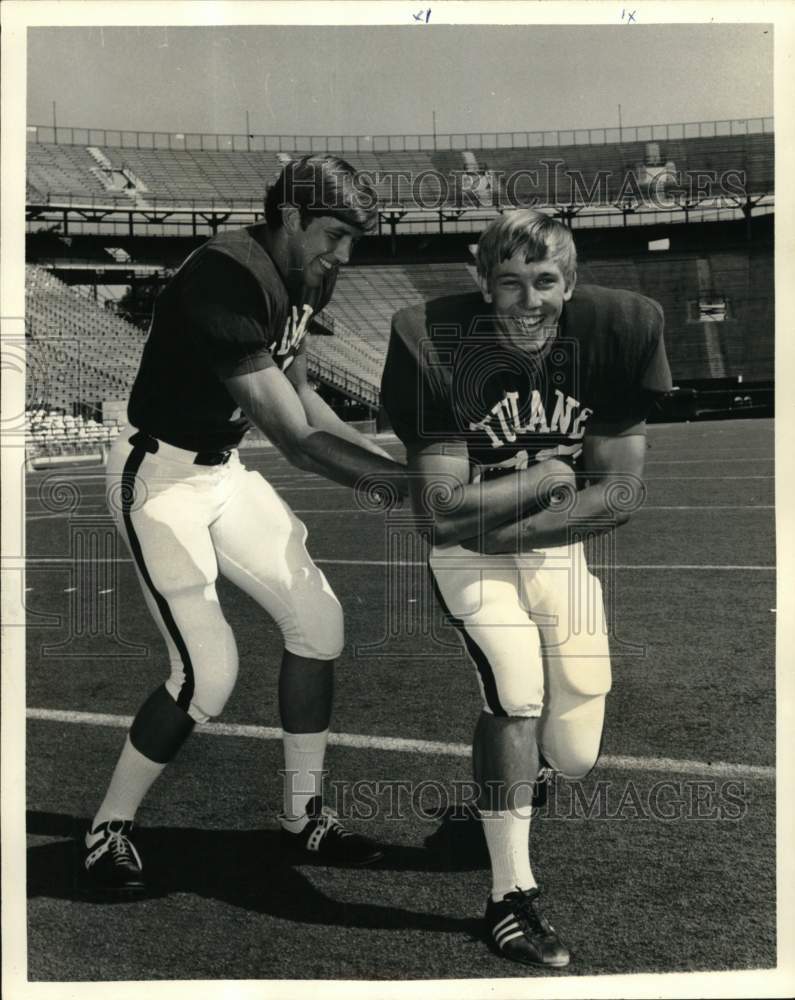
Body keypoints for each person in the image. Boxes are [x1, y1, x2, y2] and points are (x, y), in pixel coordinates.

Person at [82, 155, 407, 896]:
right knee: (206, 674)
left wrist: (396, 473)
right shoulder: (224, 274)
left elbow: (304, 401)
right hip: (159, 476)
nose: (343, 256)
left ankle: (302, 818)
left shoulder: (307, 271)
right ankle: (108, 829)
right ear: (289, 216)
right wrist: (411, 487)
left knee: (319, 623)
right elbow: (293, 440)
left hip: (221, 472)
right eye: (333, 234)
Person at [381, 209, 671, 968]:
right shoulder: (434, 339)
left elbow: (617, 495)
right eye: (508, 284)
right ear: (483, 286)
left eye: (544, 282)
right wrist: (544, 477)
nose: (527, 301)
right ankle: (509, 896)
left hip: (543, 545)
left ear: (568, 284)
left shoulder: (619, 330)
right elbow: (440, 512)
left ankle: (517, 784)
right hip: (472, 553)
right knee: (514, 693)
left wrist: (508, 523)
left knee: (572, 754)